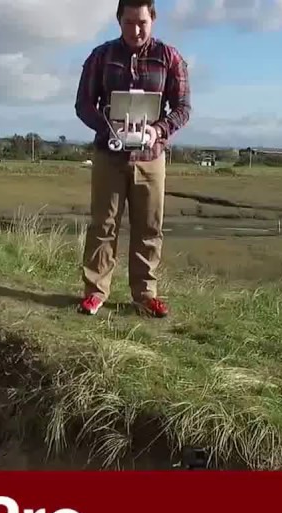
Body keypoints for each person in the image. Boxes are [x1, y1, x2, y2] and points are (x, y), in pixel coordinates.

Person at [74, 0, 191, 318]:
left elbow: (182, 108)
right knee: (103, 224)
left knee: (149, 227)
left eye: (141, 22)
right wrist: (108, 126)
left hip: (151, 158)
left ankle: (145, 295)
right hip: (109, 155)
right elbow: (84, 105)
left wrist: (159, 130)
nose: (135, 29)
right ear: (118, 20)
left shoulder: (170, 58)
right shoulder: (101, 56)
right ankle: (95, 293)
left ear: (153, 18)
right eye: (128, 22)